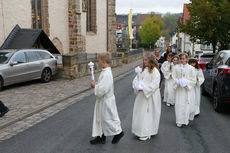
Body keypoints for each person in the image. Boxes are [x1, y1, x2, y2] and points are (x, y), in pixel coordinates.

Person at [90, 53, 124, 144]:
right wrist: (98, 84)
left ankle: (118, 132)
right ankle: (101, 137)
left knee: (108, 119)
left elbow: (102, 89)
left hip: (106, 101)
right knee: (101, 119)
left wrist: (95, 86)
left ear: (103, 61)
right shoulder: (105, 71)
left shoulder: (107, 74)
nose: (98, 63)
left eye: (99, 61)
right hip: (103, 100)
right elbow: (103, 85)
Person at [132, 53, 161, 141]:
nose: (144, 62)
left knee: (148, 114)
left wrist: (144, 88)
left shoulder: (155, 71)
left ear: (151, 61)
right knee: (140, 113)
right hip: (142, 96)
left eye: (146, 60)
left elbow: (155, 85)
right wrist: (137, 85)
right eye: (143, 60)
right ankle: (139, 130)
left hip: (150, 96)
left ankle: (147, 132)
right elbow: (136, 79)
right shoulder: (143, 71)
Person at [172, 53, 196, 128]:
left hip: (187, 90)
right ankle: (179, 120)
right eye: (181, 59)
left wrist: (186, 83)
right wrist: (178, 82)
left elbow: (193, 79)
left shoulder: (191, 68)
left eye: (183, 59)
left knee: (186, 105)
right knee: (179, 105)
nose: (182, 60)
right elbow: (174, 77)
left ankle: (185, 120)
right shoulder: (176, 68)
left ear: (186, 59)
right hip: (179, 90)